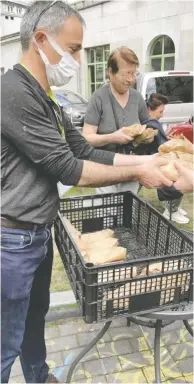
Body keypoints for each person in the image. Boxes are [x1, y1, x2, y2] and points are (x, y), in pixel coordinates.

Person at [1, 2, 172, 383]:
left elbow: (83, 149)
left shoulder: (48, 98)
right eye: (75, 48)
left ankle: (38, 375)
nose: (79, 59)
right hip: (12, 238)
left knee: (34, 317)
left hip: (37, 232)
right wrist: (140, 171)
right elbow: (67, 167)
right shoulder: (13, 92)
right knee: (5, 340)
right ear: (41, 39)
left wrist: (143, 164)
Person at [83, 47, 157, 195]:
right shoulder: (99, 98)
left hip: (132, 165)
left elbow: (148, 125)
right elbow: (86, 137)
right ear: (110, 72)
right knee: (108, 212)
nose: (131, 79)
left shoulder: (137, 98)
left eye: (134, 73)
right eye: (126, 74)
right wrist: (112, 137)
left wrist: (147, 137)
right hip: (104, 168)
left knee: (128, 209)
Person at [146, 93, 189, 224]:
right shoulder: (151, 125)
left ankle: (175, 207)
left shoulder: (153, 123)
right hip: (155, 161)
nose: (162, 114)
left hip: (159, 158)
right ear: (149, 110)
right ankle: (171, 210)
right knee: (178, 176)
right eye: (160, 111)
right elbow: (161, 146)